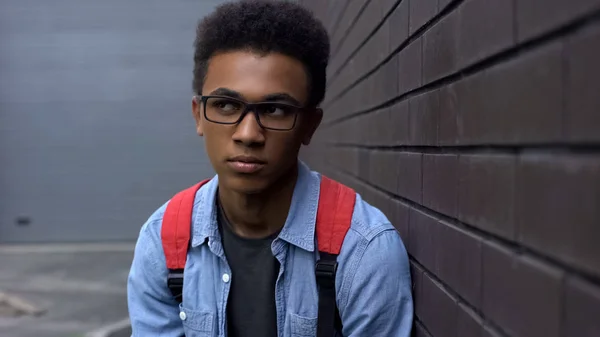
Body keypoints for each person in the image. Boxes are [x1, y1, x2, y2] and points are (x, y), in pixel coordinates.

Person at [126, 1, 413, 336]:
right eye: (226, 105)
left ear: (310, 125)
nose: (248, 134)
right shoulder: (163, 241)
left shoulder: (363, 250)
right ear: (198, 115)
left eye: (275, 109)